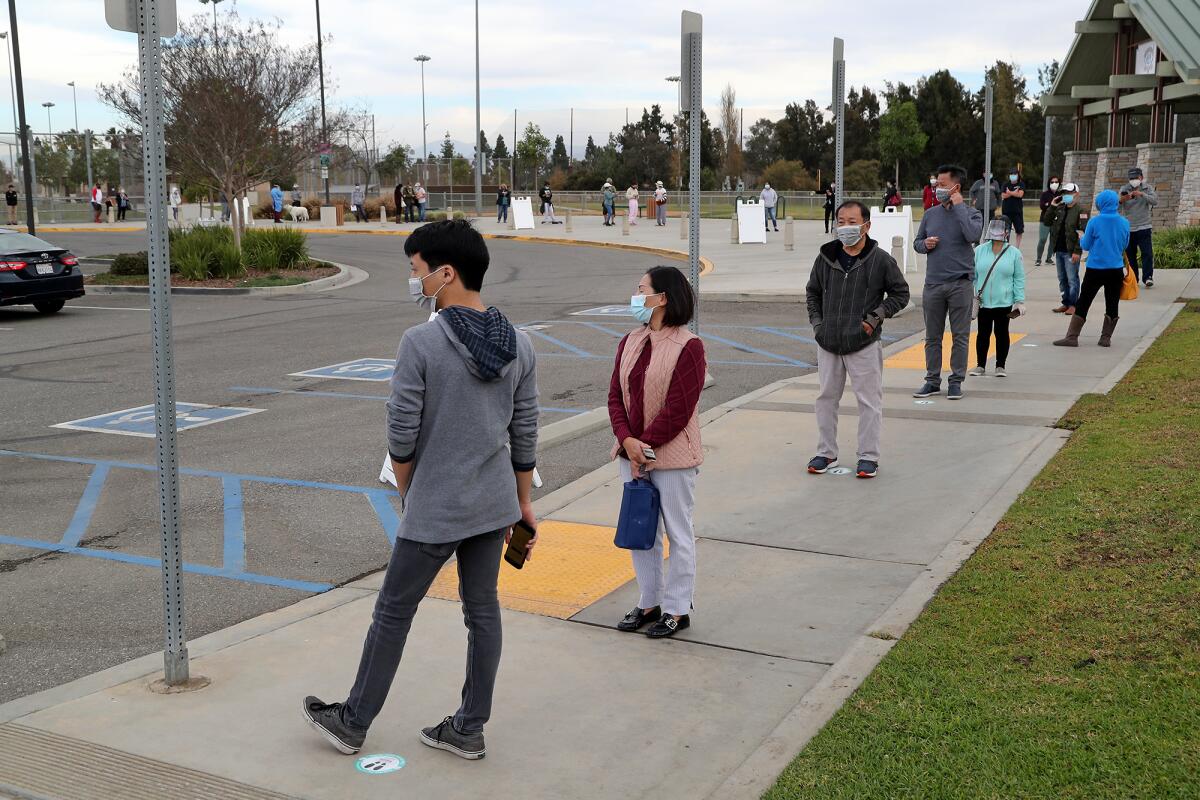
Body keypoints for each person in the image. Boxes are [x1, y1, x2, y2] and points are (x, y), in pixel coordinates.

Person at [302, 219, 540, 762]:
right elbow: (524, 433)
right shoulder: (520, 345)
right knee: (482, 611)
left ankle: (353, 721)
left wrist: (410, 493)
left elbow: (401, 435)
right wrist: (522, 503)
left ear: (445, 273)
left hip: (436, 505)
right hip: (494, 502)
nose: (415, 280)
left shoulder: (422, 342)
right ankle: (469, 728)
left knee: (393, 611)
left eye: (417, 270)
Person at [607, 265, 706, 638]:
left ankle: (678, 609)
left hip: (672, 458)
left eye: (641, 289)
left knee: (678, 533)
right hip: (630, 452)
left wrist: (642, 448)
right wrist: (627, 441)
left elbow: (679, 409)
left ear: (662, 298)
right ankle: (649, 601)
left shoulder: (689, 346)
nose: (636, 296)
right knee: (642, 530)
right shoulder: (629, 340)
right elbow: (615, 396)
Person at [805, 201, 910, 479]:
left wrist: (874, 318)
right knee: (826, 398)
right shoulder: (825, 258)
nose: (845, 227)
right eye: (841, 221)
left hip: (863, 343)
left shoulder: (881, 260)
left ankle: (868, 456)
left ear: (866, 225)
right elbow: (812, 293)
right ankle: (825, 452)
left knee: (869, 401)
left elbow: (901, 294)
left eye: (852, 221)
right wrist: (818, 325)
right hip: (828, 342)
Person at [913, 164, 983, 401]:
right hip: (933, 284)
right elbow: (917, 242)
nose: (937, 189)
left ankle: (956, 382)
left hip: (960, 285)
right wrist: (925, 245)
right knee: (932, 337)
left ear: (956, 187)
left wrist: (960, 206)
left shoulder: (972, 214)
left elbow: (972, 236)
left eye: (942, 185)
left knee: (960, 336)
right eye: (936, 185)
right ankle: (932, 381)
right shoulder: (930, 214)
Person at [1054, 189, 1130, 348]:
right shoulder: (1124, 222)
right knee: (1112, 302)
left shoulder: (1095, 222)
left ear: (1100, 203)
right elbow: (1125, 245)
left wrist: (1081, 237)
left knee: (1084, 301)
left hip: (1096, 268)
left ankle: (1072, 337)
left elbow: (1086, 245)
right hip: (1115, 268)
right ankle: (1105, 338)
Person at [970, 218, 1026, 377]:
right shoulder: (979, 250)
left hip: (1004, 302)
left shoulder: (1014, 253)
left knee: (1002, 333)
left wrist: (1019, 300)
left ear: (1007, 232)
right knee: (982, 333)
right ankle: (980, 365)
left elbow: (1019, 278)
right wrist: (971, 294)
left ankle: (1000, 366)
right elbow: (972, 275)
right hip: (983, 301)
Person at [1042, 182, 1086, 315]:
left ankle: (1073, 304)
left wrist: (1077, 251)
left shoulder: (1081, 211)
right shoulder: (1059, 208)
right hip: (1059, 249)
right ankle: (1065, 302)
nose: (1066, 196)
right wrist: (1052, 206)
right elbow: (1047, 222)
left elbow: (1082, 233)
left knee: (1072, 279)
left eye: (1069, 193)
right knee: (1062, 279)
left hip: (1071, 251)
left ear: (1076, 194)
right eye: (1064, 193)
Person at [1119, 167, 1158, 288]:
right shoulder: (1124, 189)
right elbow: (1117, 204)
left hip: (1144, 226)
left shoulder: (1147, 188)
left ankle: (1148, 277)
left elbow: (1155, 201)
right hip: (1129, 228)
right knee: (1130, 255)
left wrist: (1142, 194)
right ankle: (1133, 277)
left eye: (1135, 178)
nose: (1133, 180)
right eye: (1131, 178)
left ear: (1141, 177)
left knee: (1147, 253)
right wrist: (1123, 199)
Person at [1035, 176, 1061, 266]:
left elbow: (1061, 206)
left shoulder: (1060, 194)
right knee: (1042, 239)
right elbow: (1042, 206)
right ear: (1049, 183)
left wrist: (1048, 204)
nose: (1054, 184)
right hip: (1045, 220)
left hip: (1056, 220)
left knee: (1053, 240)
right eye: (1052, 182)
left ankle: (1049, 258)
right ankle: (1038, 259)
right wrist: (1052, 204)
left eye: (1056, 182)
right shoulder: (1044, 194)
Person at [999, 168, 1025, 248]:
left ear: (1018, 175)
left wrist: (1009, 193)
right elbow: (1003, 196)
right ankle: (1006, 246)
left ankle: (1017, 248)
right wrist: (1013, 193)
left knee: (1019, 231)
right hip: (1006, 211)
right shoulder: (1005, 184)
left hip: (1017, 211)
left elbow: (1020, 195)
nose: (1013, 176)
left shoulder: (1021, 184)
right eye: (1011, 174)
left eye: (1014, 174)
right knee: (1006, 230)